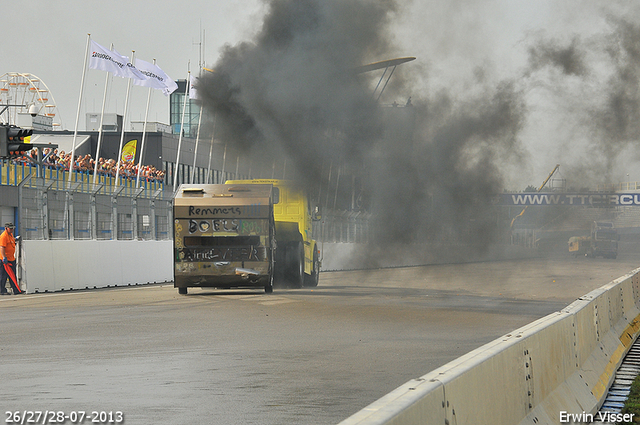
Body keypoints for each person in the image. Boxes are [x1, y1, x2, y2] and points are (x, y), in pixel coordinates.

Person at [0, 222, 22, 295]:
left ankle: (16, 290)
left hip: (11, 259)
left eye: (12, 228)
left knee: (12, 275)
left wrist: (15, 239)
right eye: (10, 228)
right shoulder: (3, 236)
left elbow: (11, 242)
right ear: (6, 228)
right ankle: (2, 290)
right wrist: (4, 257)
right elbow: (2, 247)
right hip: (5, 260)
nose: (12, 229)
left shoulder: (10, 235)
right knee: (3, 276)